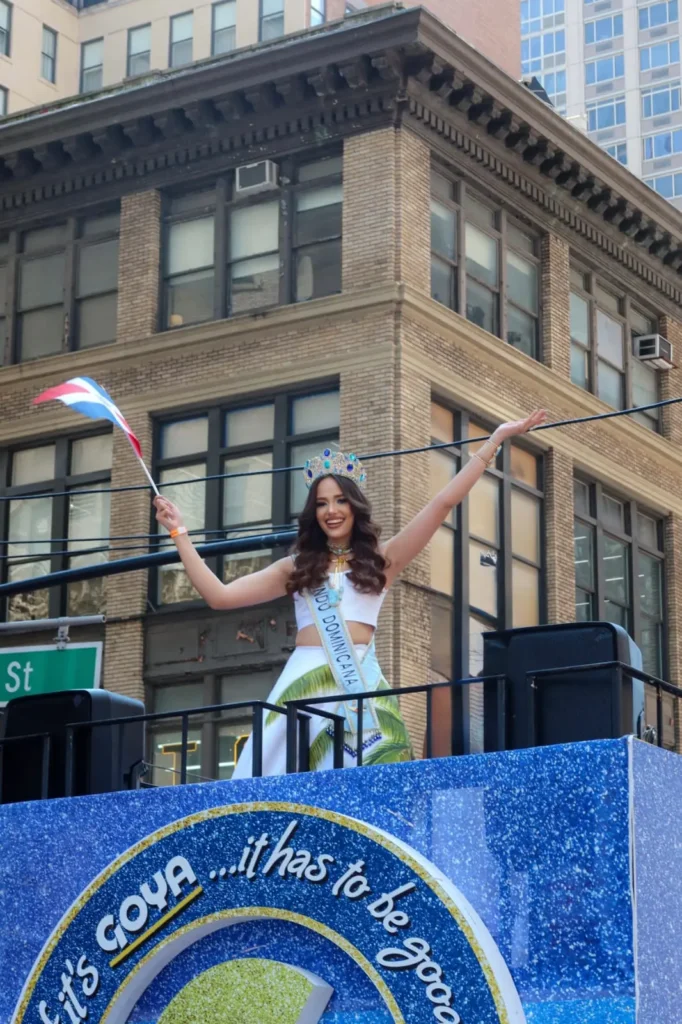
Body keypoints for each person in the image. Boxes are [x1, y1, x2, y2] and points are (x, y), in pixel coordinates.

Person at [154, 409, 547, 778]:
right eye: (322, 503)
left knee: (369, 778)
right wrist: (179, 533)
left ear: (355, 506)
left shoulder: (382, 561)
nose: (332, 510)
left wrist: (494, 441)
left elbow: (442, 504)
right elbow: (220, 596)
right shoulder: (296, 568)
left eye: (341, 500)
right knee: (275, 779)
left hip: (360, 682)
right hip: (303, 683)